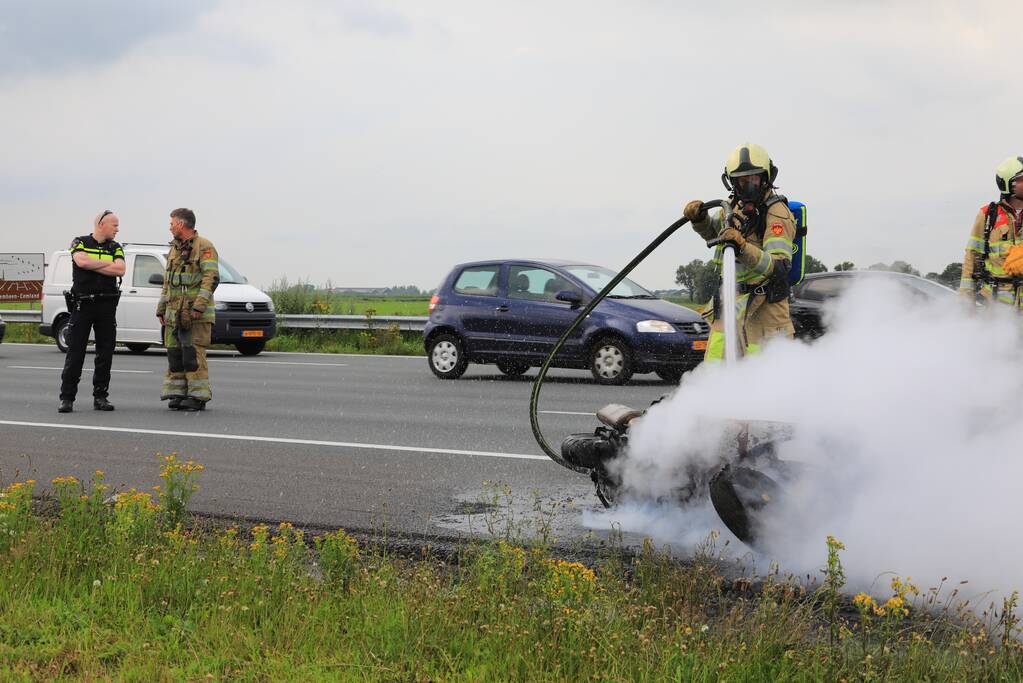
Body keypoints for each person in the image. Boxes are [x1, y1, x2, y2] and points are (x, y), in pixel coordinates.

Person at [683, 143, 797, 360]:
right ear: (732, 182)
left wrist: (743, 248)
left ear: (766, 178)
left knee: (763, 381)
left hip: (765, 311)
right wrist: (699, 219)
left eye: (753, 179)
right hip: (730, 303)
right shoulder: (732, 206)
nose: (748, 186)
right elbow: (714, 234)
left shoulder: (777, 214)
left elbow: (778, 266)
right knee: (714, 371)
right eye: (742, 181)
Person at [58, 210, 125, 413]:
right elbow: (81, 262)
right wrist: (107, 265)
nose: (117, 229)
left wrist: (94, 265)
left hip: (106, 306)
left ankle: (101, 397)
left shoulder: (116, 246)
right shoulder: (80, 241)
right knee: (75, 353)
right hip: (82, 305)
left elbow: (120, 270)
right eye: (114, 225)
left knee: (105, 354)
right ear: (101, 224)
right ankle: (67, 398)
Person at [156, 208, 219, 411]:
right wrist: (161, 308)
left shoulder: (205, 247)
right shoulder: (174, 248)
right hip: (174, 313)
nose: (170, 226)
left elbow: (211, 278)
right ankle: (178, 393)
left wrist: (199, 306)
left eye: (172, 223)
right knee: (175, 353)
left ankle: (198, 396)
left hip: (194, 314)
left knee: (193, 354)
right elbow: (168, 281)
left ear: (181, 224)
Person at [960, 156, 1023, 307]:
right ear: (1008, 184)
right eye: (1021, 179)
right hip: (994, 309)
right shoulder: (988, 215)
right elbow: (971, 257)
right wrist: (965, 303)